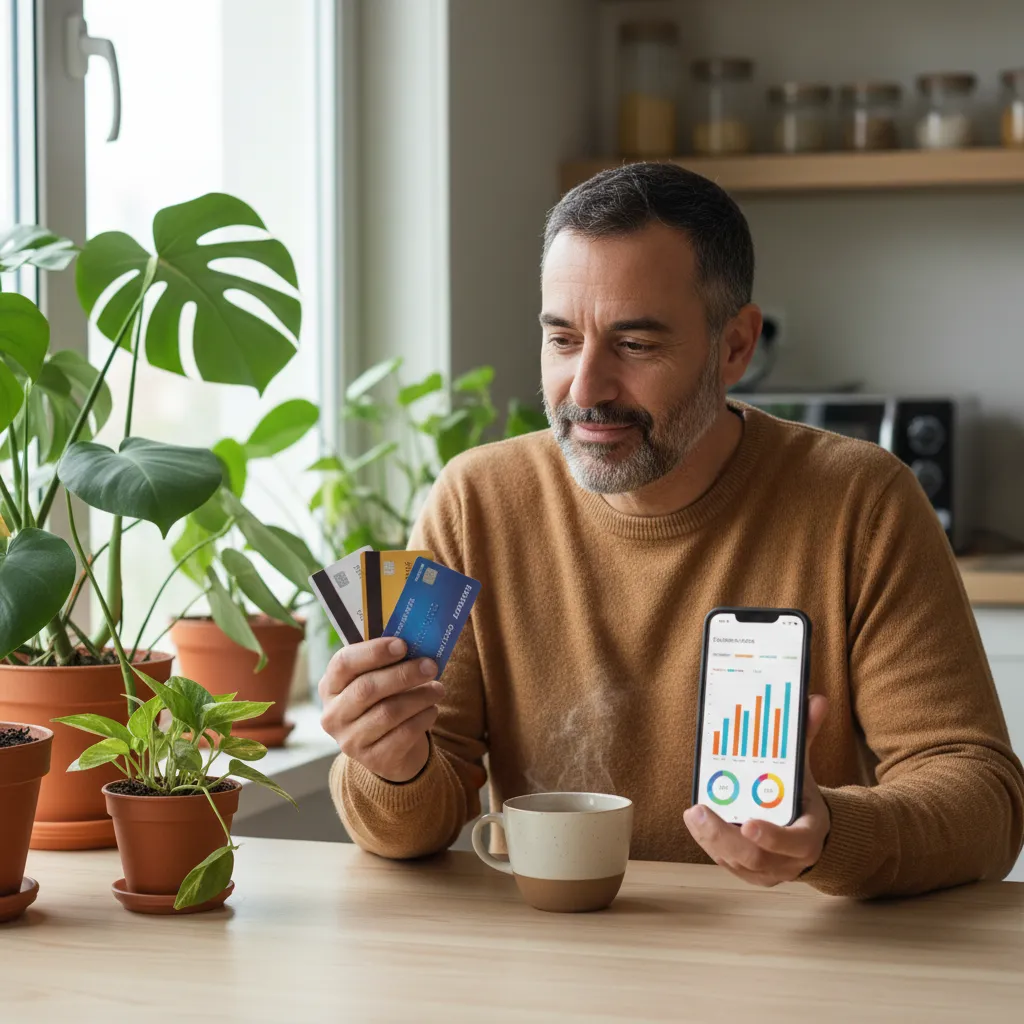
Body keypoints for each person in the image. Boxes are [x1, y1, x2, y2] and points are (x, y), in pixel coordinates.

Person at [318, 162, 1024, 898]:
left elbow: (984, 800)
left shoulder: (861, 502)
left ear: (735, 347)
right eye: (562, 339)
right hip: (561, 963)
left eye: (635, 345)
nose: (584, 390)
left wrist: (830, 835)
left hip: (792, 967)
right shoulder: (478, 501)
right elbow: (416, 821)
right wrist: (390, 765)